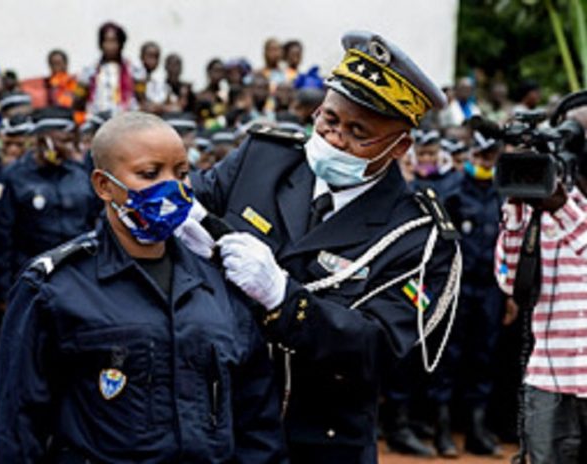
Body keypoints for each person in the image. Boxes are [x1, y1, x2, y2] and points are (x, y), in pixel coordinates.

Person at [182, 30, 461, 463]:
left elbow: (384, 350)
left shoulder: (419, 236)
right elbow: (189, 208)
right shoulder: (264, 158)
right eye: (329, 120)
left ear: (400, 145)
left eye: (357, 132)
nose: (333, 139)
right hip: (223, 421)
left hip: (318, 440)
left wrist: (284, 297)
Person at [0, 112, 287, 463]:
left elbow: (256, 418)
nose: (173, 187)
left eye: (181, 173)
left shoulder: (218, 284)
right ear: (104, 185)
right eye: (150, 174)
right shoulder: (55, 288)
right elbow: (19, 425)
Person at [495, 91, 587, 464]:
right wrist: (517, 210)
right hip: (550, 381)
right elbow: (511, 282)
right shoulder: (544, 204)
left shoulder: (558, 207)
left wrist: (562, 210)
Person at [428, 132, 505, 457]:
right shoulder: (453, 191)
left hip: (489, 287)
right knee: (449, 357)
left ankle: (476, 430)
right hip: (456, 285)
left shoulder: (503, 193)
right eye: (479, 156)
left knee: (483, 358)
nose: (483, 163)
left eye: (490, 158)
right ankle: (442, 430)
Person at [0, 106, 100, 298]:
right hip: (32, 276)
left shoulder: (80, 175)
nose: (69, 147)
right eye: (63, 141)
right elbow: (2, 236)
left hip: (78, 276)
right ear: (44, 139)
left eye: (71, 141)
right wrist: (3, 288)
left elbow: (95, 223)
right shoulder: (15, 176)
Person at [79, 22, 135, 115]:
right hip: (97, 118)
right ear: (100, 44)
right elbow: (79, 99)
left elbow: (141, 99)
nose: (110, 46)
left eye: (114, 41)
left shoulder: (132, 70)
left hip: (124, 119)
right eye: (106, 41)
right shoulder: (90, 70)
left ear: (121, 44)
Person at [133, 41, 166, 111]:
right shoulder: (136, 77)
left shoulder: (157, 81)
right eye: (150, 56)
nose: (153, 60)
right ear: (141, 57)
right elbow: (142, 102)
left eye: (156, 57)